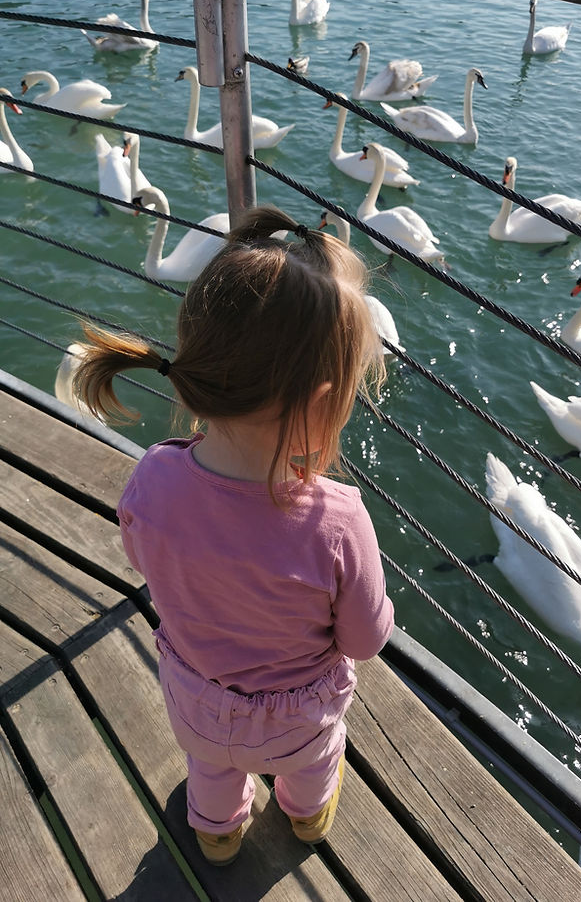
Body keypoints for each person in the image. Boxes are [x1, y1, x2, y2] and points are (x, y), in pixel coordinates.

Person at [72, 205, 395, 866]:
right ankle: (306, 816)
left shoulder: (154, 477)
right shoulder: (340, 520)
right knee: (314, 766)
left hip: (197, 704)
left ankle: (216, 830)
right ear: (318, 403)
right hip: (300, 728)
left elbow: (145, 558)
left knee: (212, 768)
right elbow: (363, 638)